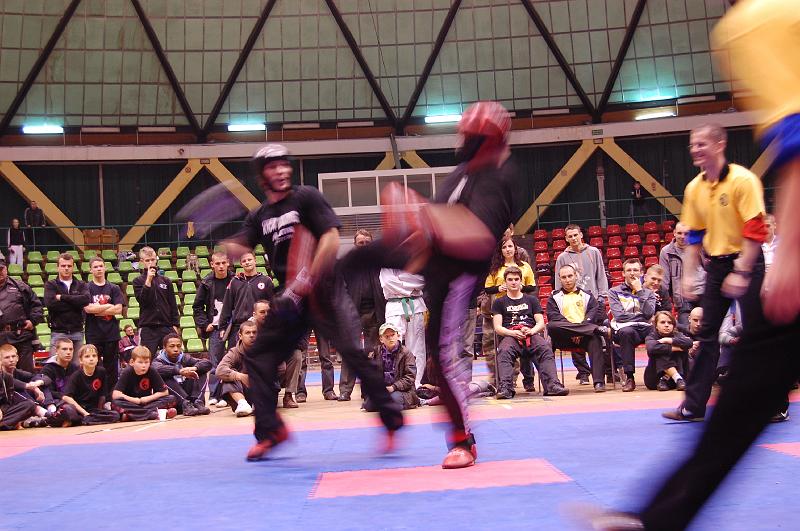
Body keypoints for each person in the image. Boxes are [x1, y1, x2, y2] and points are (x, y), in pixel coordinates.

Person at [588, 4, 799, 528]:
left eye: (701, 142)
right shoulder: (694, 188)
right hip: (718, 264)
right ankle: (691, 413)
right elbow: (695, 235)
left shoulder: (761, 22)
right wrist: (691, 274)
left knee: (755, 369)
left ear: (720, 144)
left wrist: (775, 260)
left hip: (749, 261)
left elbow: (790, 156)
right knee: (718, 348)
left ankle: (662, 516)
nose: (695, 149)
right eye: (691, 145)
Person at [223, 143, 404, 462]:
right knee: (259, 357)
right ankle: (271, 432)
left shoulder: (306, 197)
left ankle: (391, 420)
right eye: (272, 166)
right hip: (290, 298)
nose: (281, 170)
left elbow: (331, 238)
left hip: (324, 291)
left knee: (351, 353)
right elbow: (240, 247)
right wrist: (226, 243)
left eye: (284, 164)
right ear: (262, 176)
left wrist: (306, 280)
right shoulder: (260, 215)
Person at [492, 266, 568, 400]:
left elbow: (540, 323)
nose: (513, 282)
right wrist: (512, 333)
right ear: (505, 282)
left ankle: (552, 385)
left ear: (521, 281)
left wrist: (531, 331)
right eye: (510, 279)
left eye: (516, 279)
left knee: (545, 348)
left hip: (531, 334)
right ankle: (505, 388)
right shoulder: (499, 302)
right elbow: (497, 327)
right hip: (511, 335)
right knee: (504, 351)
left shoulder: (532, 300)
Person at [554, 224, 609, 385]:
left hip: (594, 301)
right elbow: (558, 280)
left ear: (581, 235)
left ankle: (608, 371)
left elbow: (601, 274)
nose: (573, 238)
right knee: (575, 333)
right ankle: (583, 372)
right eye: (570, 236)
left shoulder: (593, 252)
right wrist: (560, 299)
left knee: (600, 334)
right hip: (571, 302)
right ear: (566, 238)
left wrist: (602, 296)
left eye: (575, 235)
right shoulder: (562, 257)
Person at [338, 229, 386, 402]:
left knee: (373, 352)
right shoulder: (347, 265)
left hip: (375, 312)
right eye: (361, 243)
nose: (364, 246)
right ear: (355, 244)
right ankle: (345, 390)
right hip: (353, 313)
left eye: (367, 243)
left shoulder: (380, 263)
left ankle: (370, 390)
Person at [484, 236, 537, 389]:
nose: (508, 249)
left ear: (515, 248)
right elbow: (488, 288)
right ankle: (505, 380)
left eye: (510, 246)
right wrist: (498, 288)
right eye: (504, 247)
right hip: (503, 310)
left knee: (526, 342)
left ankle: (528, 380)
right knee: (505, 346)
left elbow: (532, 286)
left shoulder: (524, 266)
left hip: (522, 308)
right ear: (500, 250)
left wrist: (520, 287)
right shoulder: (495, 268)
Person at [547, 264, 608, 392]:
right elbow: (554, 317)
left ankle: (599, 382)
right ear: (559, 279)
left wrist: (580, 332)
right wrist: (574, 331)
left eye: (570, 276)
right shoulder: (554, 298)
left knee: (595, 340)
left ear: (576, 276)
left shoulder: (588, 296)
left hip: (585, 337)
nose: (567, 280)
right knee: (551, 326)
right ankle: (552, 383)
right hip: (564, 337)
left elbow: (593, 315)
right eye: (564, 277)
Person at [608, 258, 656, 392]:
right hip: (625, 329)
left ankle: (660, 374)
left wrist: (640, 291)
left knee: (659, 333)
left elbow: (649, 313)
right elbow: (619, 316)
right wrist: (641, 316)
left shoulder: (649, 293)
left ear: (641, 273)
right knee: (626, 332)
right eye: (629, 270)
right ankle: (630, 377)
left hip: (645, 328)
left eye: (635, 270)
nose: (632, 273)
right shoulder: (614, 291)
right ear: (623, 273)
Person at [193, 251, 234, 401]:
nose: (221, 266)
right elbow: (197, 307)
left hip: (233, 326)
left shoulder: (236, 280)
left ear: (228, 263)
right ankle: (215, 395)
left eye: (223, 263)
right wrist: (205, 324)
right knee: (215, 363)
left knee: (234, 361)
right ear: (212, 265)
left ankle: (231, 394)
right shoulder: (206, 283)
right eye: (217, 263)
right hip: (215, 328)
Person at [380, 268, 427, 388]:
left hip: (416, 305)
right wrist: (410, 287)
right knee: (392, 346)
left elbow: (421, 281)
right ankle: (394, 383)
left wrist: (400, 282)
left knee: (417, 349)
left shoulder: (415, 259)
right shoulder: (386, 262)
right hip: (394, 307)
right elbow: (387, 282)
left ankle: (415, 384)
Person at [52, 344, 120, 426]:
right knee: (68, 410)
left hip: (93, 410)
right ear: (81, 360)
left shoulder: (101, 372)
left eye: (94, 356)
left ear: (97, 359)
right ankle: (83, 419)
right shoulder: (76, 375)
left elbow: (102, 395)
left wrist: (99, 411)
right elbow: (66, 397)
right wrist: (85, 413)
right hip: (79, 408)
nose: (91, 359)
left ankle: (83, 420)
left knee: (115, 415)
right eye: (87, 356)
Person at [83, 257, 124, 387]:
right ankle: (95, 393)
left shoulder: (114, 288)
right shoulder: (86, 288)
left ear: (105, 268)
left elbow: (118, 309)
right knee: (92, 366)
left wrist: (98, 310)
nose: (99, 269)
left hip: (111, 334)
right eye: (95, 267)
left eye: (101, 266)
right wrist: (108, 306)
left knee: (111, 368)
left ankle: (111, 395)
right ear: (90, 270)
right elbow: (88, 309)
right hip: (93, 333)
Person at [133, 246, 180, 357]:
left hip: (166, 326)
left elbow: (173, 304)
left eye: (152, 260)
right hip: (148, 327)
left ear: (156, 259)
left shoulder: (166, 281)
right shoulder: (138, 281)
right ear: (142, 262)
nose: (150, 263)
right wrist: (148, 280)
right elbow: (142, 301)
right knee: (145, 358)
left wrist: (175, 325)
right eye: (147, 260)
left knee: (172, 359)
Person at [218, 251, 274, 344]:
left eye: (249, 260)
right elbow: (227, 305)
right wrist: (222, 327)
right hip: (238, 327)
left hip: (259, 326)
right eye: (244, 261)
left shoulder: (266, 281)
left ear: (255, 260)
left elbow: (272, 305)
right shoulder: (235, 281)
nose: (247, 262)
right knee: (234, 352)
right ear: (241, 264)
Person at [151, 333, 212, 416]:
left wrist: (194, 368)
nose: (176, 349)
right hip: (174, 399)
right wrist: (180, 371)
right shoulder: (158, 360)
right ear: (164, 347)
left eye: (178, 346)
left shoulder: (185, 358)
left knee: (201, 371)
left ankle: (197, 401)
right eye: (172, 346)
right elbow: (157, 369)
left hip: (188, 396)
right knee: (164, 376)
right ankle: (185, 403)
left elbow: (207, 363)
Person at [364, 323, 419, 412]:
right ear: (381, 339)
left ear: (398, 335)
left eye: (393, 335)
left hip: (403, 391)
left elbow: (410, 377)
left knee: (393, 399)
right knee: (368, 405)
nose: (390, 338)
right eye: (387, 336)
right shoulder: (375, 353)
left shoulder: (406, 353)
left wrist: (393, 387)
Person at [0, 258, 43, 372]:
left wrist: (33, 321)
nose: (0, 272)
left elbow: (37, 306)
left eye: (1, 269)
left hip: (21, 336)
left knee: (26, 373)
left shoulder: (20, 286)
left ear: (6, 269)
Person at [112, 346, 177, 421]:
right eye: (140, 362)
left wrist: (146, 399)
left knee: (171, 398)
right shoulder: (127, 371)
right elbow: (116, 394)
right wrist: (135, 400)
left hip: (147, 403)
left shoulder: (152, 370)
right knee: (116, 403)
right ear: (132, 362)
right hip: (131, 403)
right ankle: (151, 414)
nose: (144, 365)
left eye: (146, 362)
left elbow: (164, 392)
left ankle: (133, 415)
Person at [659, 222, 705, 326]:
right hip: (683, 297)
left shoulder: (699, 247)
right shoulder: (666, 252)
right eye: (679, 233)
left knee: (707, 328)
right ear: (674, 233)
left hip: (703, 292)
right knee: (685, 328)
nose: (683, 236)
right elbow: (664, 280)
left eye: (686, 233)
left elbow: (708, 268)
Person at [44, 253, 90, 356]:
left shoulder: (81, 284)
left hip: (77, 332)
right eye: (63, 265)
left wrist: (62, 297)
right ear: (58, 267)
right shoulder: (51, 285)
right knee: (55, 364)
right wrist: (76, 303)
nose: (66, 268)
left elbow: (86, 300)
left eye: (69, 266)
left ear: (73, 267)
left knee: (76, 365)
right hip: (58, 332)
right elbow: (51, 304)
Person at [216, 320, 258, 417]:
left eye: (254, 332)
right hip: (243, 392)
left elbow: (281, 369)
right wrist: (241, 376)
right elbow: (220, 370)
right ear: (240, 336)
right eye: (247, 333)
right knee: (228, 376)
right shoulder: (234, 352)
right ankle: (243, 404)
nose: (252, 335)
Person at [644, 311, 690, 391]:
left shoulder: (678, 335)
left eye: (670, 323)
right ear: (656, 325)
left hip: (676, 380)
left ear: (673, 325)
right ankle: (677, 378)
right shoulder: (651, 337)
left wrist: (669, 340)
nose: (666, 325)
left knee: (665, 349)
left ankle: (666, 379)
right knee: (660, 352)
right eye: (662, 322)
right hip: (655, 380)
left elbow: (689, 343)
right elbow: (651, 348)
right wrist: (675, 348)